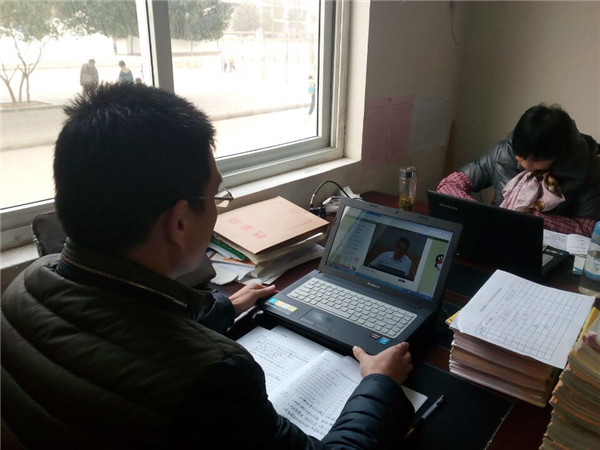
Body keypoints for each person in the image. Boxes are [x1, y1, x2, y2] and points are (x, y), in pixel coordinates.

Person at [1, 83, 415, 448]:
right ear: (179, 222)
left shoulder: (26, 286)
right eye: (216, 196)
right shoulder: (214, 377)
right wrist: (379, 385)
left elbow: (120, 327)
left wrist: (223, 307)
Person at [437, 104, 600, 237]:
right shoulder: (504, 153)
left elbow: (587, 229)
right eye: (519, 154)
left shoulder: (589, 170)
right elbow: (449, 184)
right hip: (497, 237)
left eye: (534, 161)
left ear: (557, 154)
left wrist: (532, 220)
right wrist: (478, 211)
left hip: (549, 249)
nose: (521, 162)